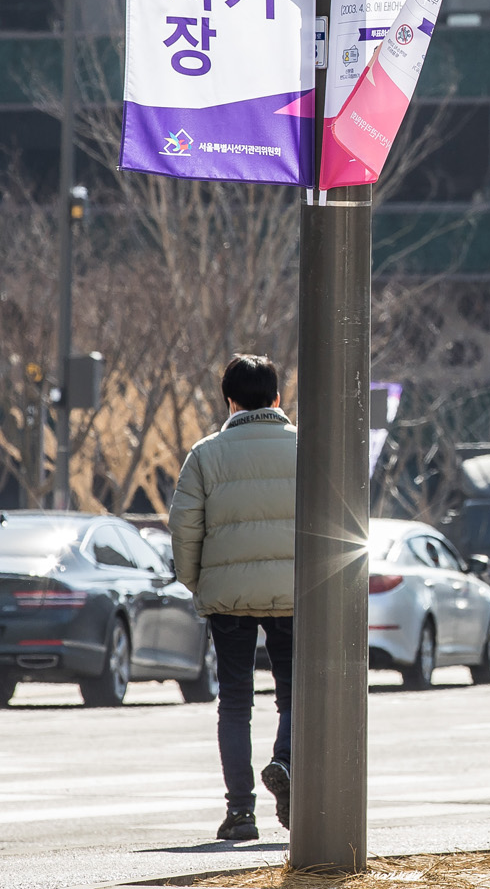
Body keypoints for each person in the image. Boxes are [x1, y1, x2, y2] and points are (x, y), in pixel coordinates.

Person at [168, 354, 298, 842]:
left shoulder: (205, 454)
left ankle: (241, 812)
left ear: (230, 401)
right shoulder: (308, 447)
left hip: (228, 599)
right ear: (277, 398)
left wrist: (198, 582)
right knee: (295, 694)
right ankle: (286, 762)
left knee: (235, 702)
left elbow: (183, 527)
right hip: (296, 594)